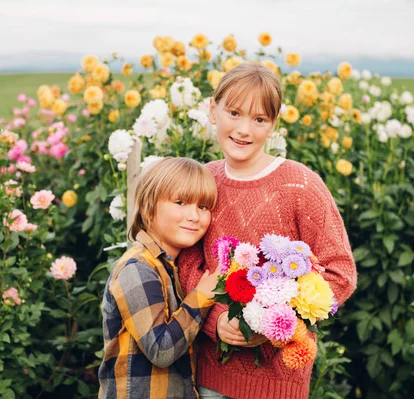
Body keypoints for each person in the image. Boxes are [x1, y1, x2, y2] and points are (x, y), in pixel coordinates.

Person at [178, 62, 358, 399]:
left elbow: (340, 271)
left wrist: (275, 321)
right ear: (212, 110)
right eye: (234, 112)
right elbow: (188, 265)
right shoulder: (204, 182)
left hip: (278, 381)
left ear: (273, 124)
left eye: (259, 119)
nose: (244, 129)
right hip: (210, 374)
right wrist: (215, 319)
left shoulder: (301, 185)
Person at [98, 157, 221, 399]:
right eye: (180, 202)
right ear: (148, 208)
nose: (194, 216)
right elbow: (161, 349)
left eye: (203, 207)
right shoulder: (137, 268)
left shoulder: (170, 268)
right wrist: (203, 296)